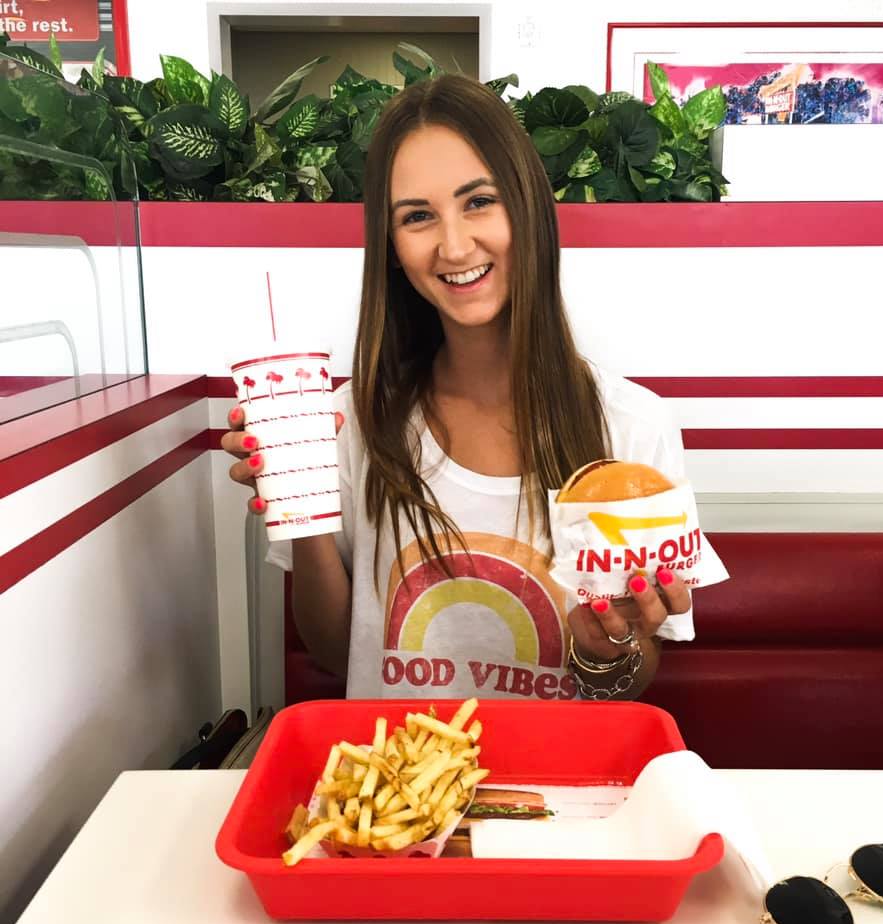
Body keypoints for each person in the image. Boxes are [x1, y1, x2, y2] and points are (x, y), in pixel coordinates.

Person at [222, 74, 693, 702]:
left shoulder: (632, 424)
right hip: (398, 793)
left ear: (525, 208)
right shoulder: (350, 421)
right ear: (391, 247)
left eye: (478, 202)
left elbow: (631, 686)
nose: (453, 244)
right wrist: (301, 510)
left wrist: (603, 649)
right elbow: (339, 654)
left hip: (559, 790)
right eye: (417, 217)